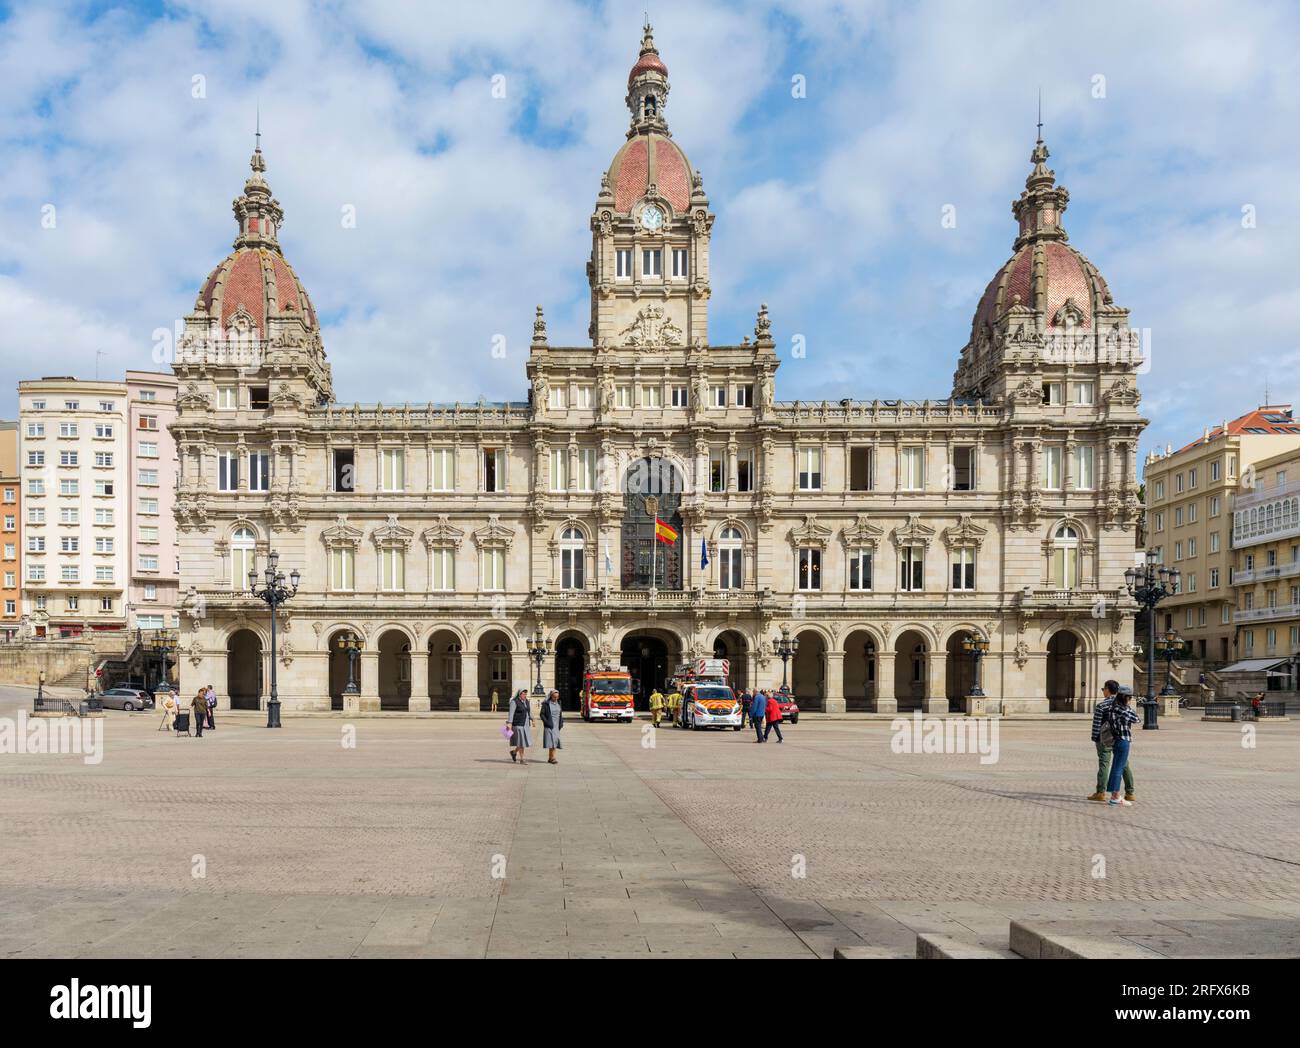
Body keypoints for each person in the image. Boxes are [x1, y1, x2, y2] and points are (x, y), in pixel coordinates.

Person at [1089, 679, 1135, 802]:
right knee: (1124, 764)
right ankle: (1130, 792)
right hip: (1120, 738)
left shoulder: (1102, 705)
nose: (1103, 691)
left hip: (1105, 739)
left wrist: (1095, 738)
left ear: (1108, 690)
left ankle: (1100, 792)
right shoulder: (1123, 705)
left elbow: (1097, 724)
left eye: (1103, 689)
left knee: (1104, 764)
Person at [1104, 687, 1138, 806]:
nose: (1130, 700)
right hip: (1123, 740)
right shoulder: (1122, 710)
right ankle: (1115, 796)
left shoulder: (1113, 707)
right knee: (1119, 768)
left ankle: (1114, 794)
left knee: (1116, 767)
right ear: (1125, 697)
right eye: (1129, 698)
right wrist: (1128, 708)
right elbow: (1136, 719)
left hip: (1116, 739)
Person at [507, 688, 533, 765]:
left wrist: (532, 719)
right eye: (524, 694)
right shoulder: (514, 702)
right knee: (522, 742)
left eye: (526, 694)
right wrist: (509, 723)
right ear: (519, 694)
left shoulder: (526, 701)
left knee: (522, 741)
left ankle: (514, 752)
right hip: (518, 724)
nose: (525, 695)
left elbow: (529, 711)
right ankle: (522, 759)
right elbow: (511, 713)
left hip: (525, 724)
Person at [541, 689, 564, 764]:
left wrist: (561, 722)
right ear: (551, 696)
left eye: (557, 697)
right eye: (554, 697)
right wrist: (546, 722)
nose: (556, 698)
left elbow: (560, 714)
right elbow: (542, 714)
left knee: (555, 741)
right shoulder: (546, 704)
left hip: (556, 726)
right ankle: (553, 758)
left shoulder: (559, 703)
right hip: (549, 725)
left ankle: (550, 758)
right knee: (552, 742)